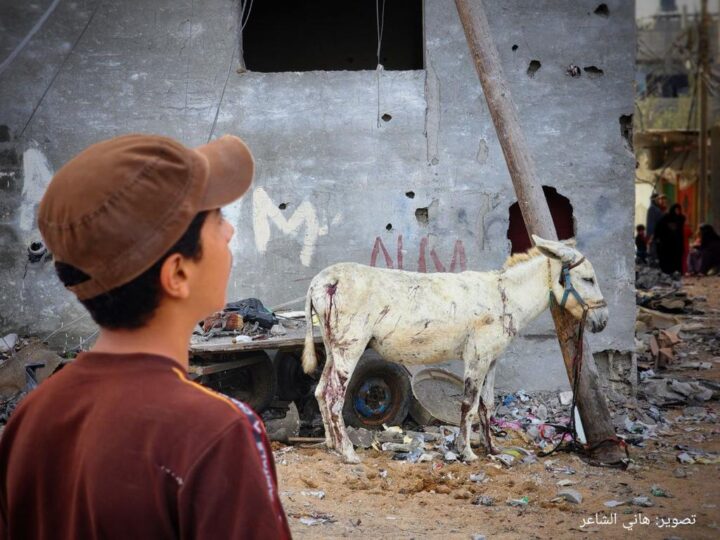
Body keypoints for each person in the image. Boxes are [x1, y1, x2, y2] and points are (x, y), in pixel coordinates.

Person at [0, 135, 291, 539]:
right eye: (216, 219)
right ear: (177, 274)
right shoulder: (217, 434)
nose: (229, 231)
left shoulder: (32, 417)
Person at [654, 203, 686, 275]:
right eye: (676, 210)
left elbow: (680, 230)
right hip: (667, 243)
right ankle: (667, 271)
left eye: (679, 210)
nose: (677, 211)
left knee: (677, 256)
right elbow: (659, 227)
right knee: (668, 257)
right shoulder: (666, 218)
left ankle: (677, 271)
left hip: (677, 242)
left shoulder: (681, 218)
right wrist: (658, 238)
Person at [645, 192, 667, 265]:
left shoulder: (657, 209)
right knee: (654, 252)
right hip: (655, 234)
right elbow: (651, 223)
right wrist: (651, 235)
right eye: (658, 199)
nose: (659, 200)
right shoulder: (652, 209)